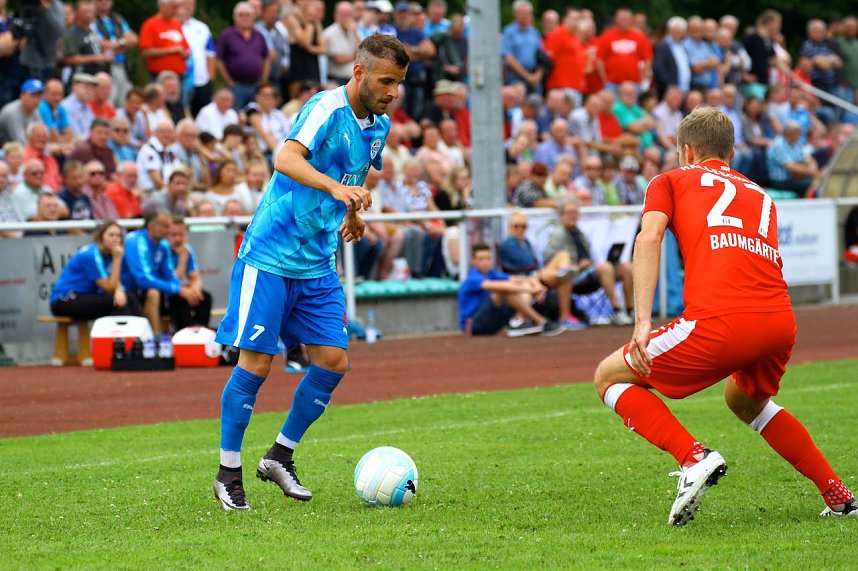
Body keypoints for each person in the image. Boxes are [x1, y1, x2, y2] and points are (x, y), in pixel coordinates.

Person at [593, 106, 857, 527]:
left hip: (721, 319)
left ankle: (693, 457)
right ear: (731, 153)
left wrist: (642, 321)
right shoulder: (761, 194)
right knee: (745, 401)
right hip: (778, 321)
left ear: (687, 150)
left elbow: (649, 237)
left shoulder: (670, 180)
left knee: (608, 376)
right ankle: (837, 494)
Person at [211, 34, 409, 511]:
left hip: (318, 262)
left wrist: (353, 213)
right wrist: (336, 191)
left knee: (333, 361)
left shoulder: (378, 125)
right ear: (359, 72)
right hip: (270, 257)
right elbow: (285, 158)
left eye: (399, 83)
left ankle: (279, 455)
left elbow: (352, 177)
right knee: (256, 365)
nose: (393, 92)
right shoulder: (325, 107)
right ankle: (228, 473)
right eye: (386, 81)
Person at [457, 243, 563, 337]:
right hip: (474, 326)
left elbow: (522, 279)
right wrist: (531, 290)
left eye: (488, 258)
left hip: (493, 321)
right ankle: (540, 321)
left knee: (519, 286)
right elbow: (501, 287)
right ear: (473, 261)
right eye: (481, 259)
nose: (485, 262)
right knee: (505, 290)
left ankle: (519, 321)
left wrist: (537, 286)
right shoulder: (472, 278)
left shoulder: (492, 274)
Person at [50, 220, 140, 321]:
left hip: (84, 296)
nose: (115, 239)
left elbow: (114, 280)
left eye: (118, 236)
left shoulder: (109, 254)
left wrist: (119, 289)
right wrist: (117, 259)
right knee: (118, 301)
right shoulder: (92, 254)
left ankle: (138, 330)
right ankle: (125, 331)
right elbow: (108, 287)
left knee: (128, 298)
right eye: (111, 235)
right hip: (64, 299)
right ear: (101, 237)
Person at [165, 216, 212, 330]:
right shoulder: (163, 249)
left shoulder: (187, 249)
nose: (178, 239)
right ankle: (185, 332)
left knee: (204, 297)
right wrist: (183, 257)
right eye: (173, 235)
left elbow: (196, 276)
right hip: (166, 291)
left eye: (181, 235)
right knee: (179, 298)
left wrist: (195, 289)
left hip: (180, 287)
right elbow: (176, 278)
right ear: (166, 235)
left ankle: (200, 330)